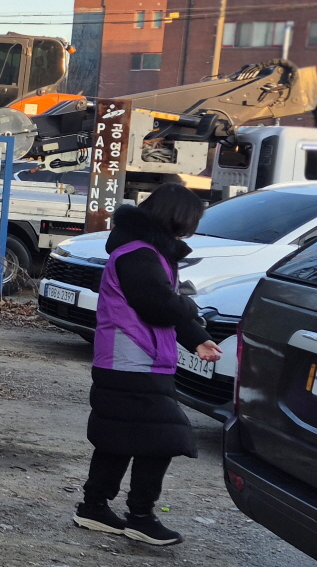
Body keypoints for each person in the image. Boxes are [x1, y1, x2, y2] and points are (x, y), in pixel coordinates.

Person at [77, 181, 222, 547]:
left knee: (118, 436)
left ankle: (94, 507)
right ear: (178, 218)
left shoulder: (144, 251)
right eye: (192, 220)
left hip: (125, 359)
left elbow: (161, 304)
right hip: (134, 360)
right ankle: (141, 516)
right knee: (163, 437)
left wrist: (197, 338)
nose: (192, 228)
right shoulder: (140, 255)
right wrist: (192, 305)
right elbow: (159, 305)